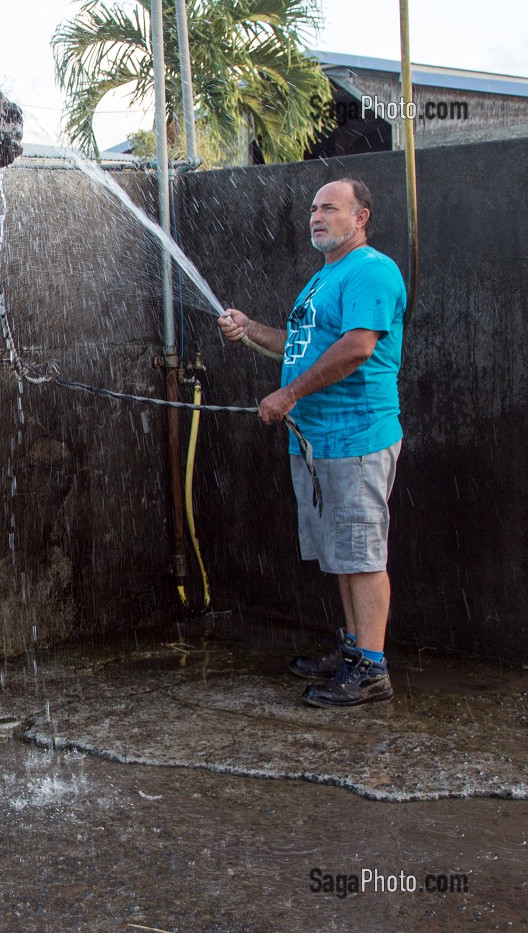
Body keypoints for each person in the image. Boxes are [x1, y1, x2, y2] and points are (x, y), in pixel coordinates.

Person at [219, 177, 406, 708]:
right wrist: (250, 327)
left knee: (363, 554)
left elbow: (356, 348)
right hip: (317, 441)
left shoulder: (371, 270)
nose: (317, 217)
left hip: (356, 436)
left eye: (331, 208)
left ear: (361, 217)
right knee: (342, 553)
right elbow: (297, 345)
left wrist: (289, 395)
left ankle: (372, 668)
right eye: (314, 209)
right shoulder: (322, 280)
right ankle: (352, 649)